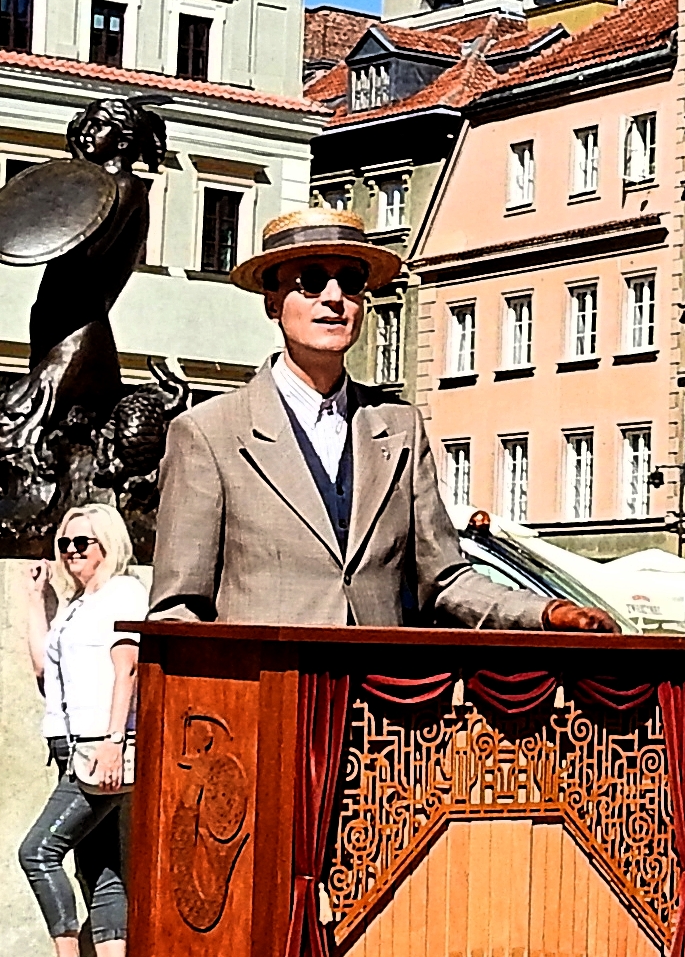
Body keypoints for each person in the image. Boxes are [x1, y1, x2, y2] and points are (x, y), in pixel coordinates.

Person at [150, 207, 616, 636]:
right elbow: (178, 608)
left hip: (382, 702)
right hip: (266, 704)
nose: (334, 299)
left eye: (350, 282)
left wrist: (544, 612)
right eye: (311, 282)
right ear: (273, 303)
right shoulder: (208, 433)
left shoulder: (399, 425)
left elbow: (446, 579)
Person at [17, 504, 148, 957]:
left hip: (99, 744)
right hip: (68, 744)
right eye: (66, 543)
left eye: (83, 544)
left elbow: (128, 670)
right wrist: (34, 600)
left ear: (108, 546)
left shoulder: (124, 593)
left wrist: (115, 740)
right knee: (100, 867)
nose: (71, 553)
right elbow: (42, 669)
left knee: (38, 851)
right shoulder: (75, 606)